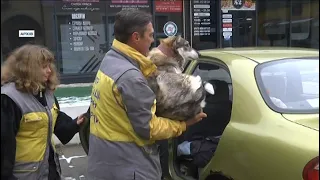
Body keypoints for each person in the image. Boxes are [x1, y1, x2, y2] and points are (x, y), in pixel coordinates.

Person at [87, 9, 207, 180]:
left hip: (107, 162)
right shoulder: (131, 77)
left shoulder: (111, 60)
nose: (153, 41)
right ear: (136, 37)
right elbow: (149, 129)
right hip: (129, 167)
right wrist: (184, 125)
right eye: (150, 35)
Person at [1, 44, 85, 180]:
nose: (49, 71)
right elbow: (4, 147)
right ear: (27, 69)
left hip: (49, 170)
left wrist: (76, 123)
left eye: (50, 66)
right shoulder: (8, 99)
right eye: (44, 67)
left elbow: (55, 123)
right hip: (23, 175)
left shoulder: (46, 93)